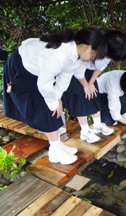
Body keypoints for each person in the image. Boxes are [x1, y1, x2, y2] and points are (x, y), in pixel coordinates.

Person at [3, 28, 107, 165]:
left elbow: (65, 78)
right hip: (21, 68)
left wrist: (57, 97)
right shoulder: (60, 54)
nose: (92, 61)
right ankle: (55, 151)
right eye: (94, 56)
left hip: (39, 73)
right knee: (46, 108)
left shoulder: (76, 54)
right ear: (87, 47)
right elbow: (44, 84)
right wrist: (53, 102)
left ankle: (56, 145)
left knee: (55, 105)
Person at [63, 30, 126, 144]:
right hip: (73, 73)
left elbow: (100, 68)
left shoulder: (107, 55)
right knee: (80, 98)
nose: (110, 58)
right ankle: (85, 131)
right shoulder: (89, 49)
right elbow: (78, 71)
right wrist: (85, 85)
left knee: (94, 94)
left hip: (89, 73)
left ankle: (97, 125)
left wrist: (91, 83)